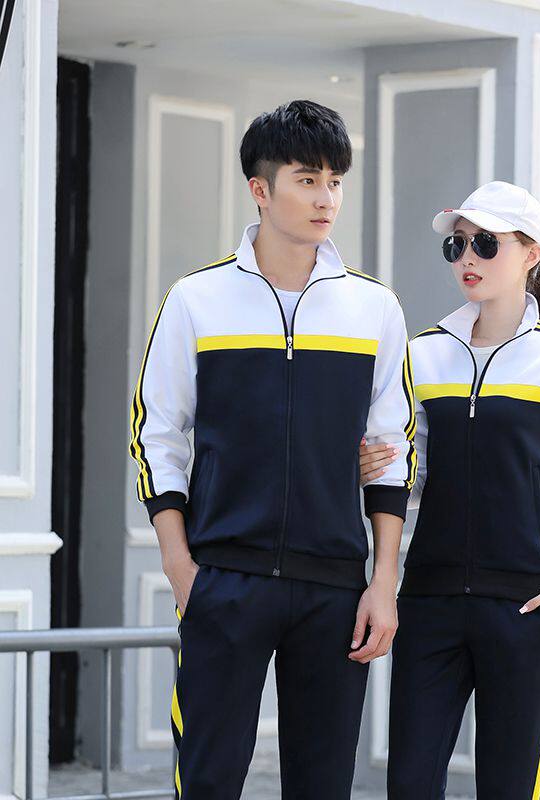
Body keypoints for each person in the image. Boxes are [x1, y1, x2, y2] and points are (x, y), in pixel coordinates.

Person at [128, 99, 417, 799]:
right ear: (260, 189)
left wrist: (382, 581)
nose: (326, 200)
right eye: (307, 180)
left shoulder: (374, 308)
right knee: (208, 780)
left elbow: (392, 449)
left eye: (335, 182)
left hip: (335, 586)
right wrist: (181, 567)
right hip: (225, 577)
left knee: (323, 785)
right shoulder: (196, 299)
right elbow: (156, 433)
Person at [359, 180, 540, 799]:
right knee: (409, 784)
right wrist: (371, 466)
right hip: (430, 601)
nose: (467, 258)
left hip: (525, 606)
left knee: (509, 786)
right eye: (457, 245)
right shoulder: (425, 353)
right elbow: (411, 475)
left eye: (485, 243)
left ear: (531, 254)